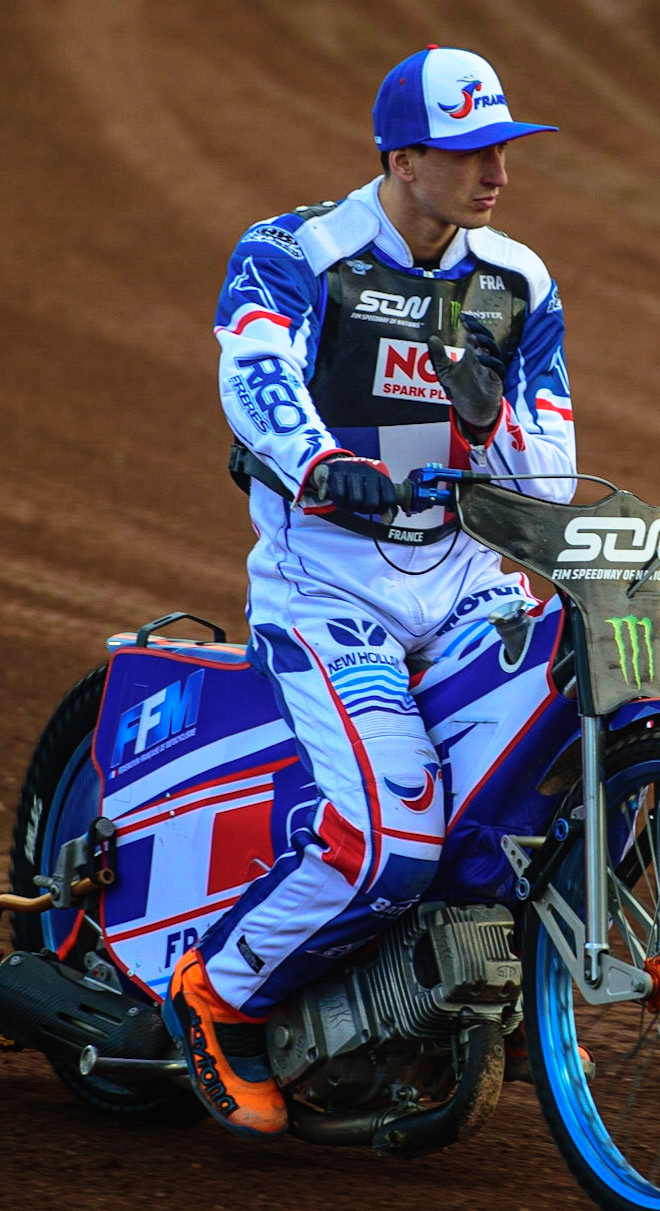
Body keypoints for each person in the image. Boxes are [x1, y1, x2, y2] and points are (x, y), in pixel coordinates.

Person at [163, 45, 576, 1140]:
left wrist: (493, 421)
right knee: (394, 843)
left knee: (558, 748)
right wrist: (315, 461)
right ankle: (217, 993)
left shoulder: (518, 283)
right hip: (327, 586)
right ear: (401, 159)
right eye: (470, 153)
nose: (497, 174)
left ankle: (497, 983)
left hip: (467, 581)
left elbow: (549, 481)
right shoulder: (296, 250)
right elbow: (254, 373)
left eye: (503, 150)